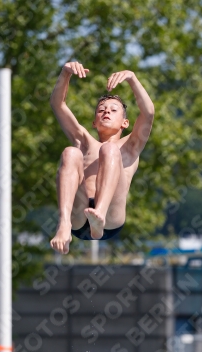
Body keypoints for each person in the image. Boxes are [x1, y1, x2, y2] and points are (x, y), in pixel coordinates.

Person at [50, 61, 155, 254]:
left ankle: (99, 213)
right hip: (79, 215)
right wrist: (65, 73)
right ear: (94, 122)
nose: (106, 111)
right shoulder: (83, 141)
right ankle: (63, 224)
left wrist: (132, 78)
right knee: (70, 152)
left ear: (125, 122)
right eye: (101, 109)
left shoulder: (131, 146)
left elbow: (148, 113)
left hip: (110, 218)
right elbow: (58, 104)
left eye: (113, 110)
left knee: (110, 150)